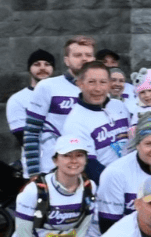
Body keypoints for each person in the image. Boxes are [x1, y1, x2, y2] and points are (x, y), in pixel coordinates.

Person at [24, 35, 97, 176]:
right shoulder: (47, 86)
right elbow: (31, 133)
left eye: (88, 55)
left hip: (88, 170)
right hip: (52, 169)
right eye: (77, 55)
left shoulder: (99, 91)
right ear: (66, 60)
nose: (84, 59)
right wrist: (34, 173)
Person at [56, 61, 131, 181]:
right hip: (109, 184)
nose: (98, 88)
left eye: (103, 82)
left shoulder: (119, 106)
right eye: (91, 82)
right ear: (79, 84)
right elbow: (90, 167)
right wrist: (122, 183)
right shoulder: (74, 122)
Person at [8, 48, 57, 170]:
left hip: (69, 164)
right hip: (37, 167)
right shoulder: (17, 99)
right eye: (37, 64)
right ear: (29, 68)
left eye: (47, 64)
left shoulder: (63, 96)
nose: (42, 68)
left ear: (53, 69)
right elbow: (24, 137)